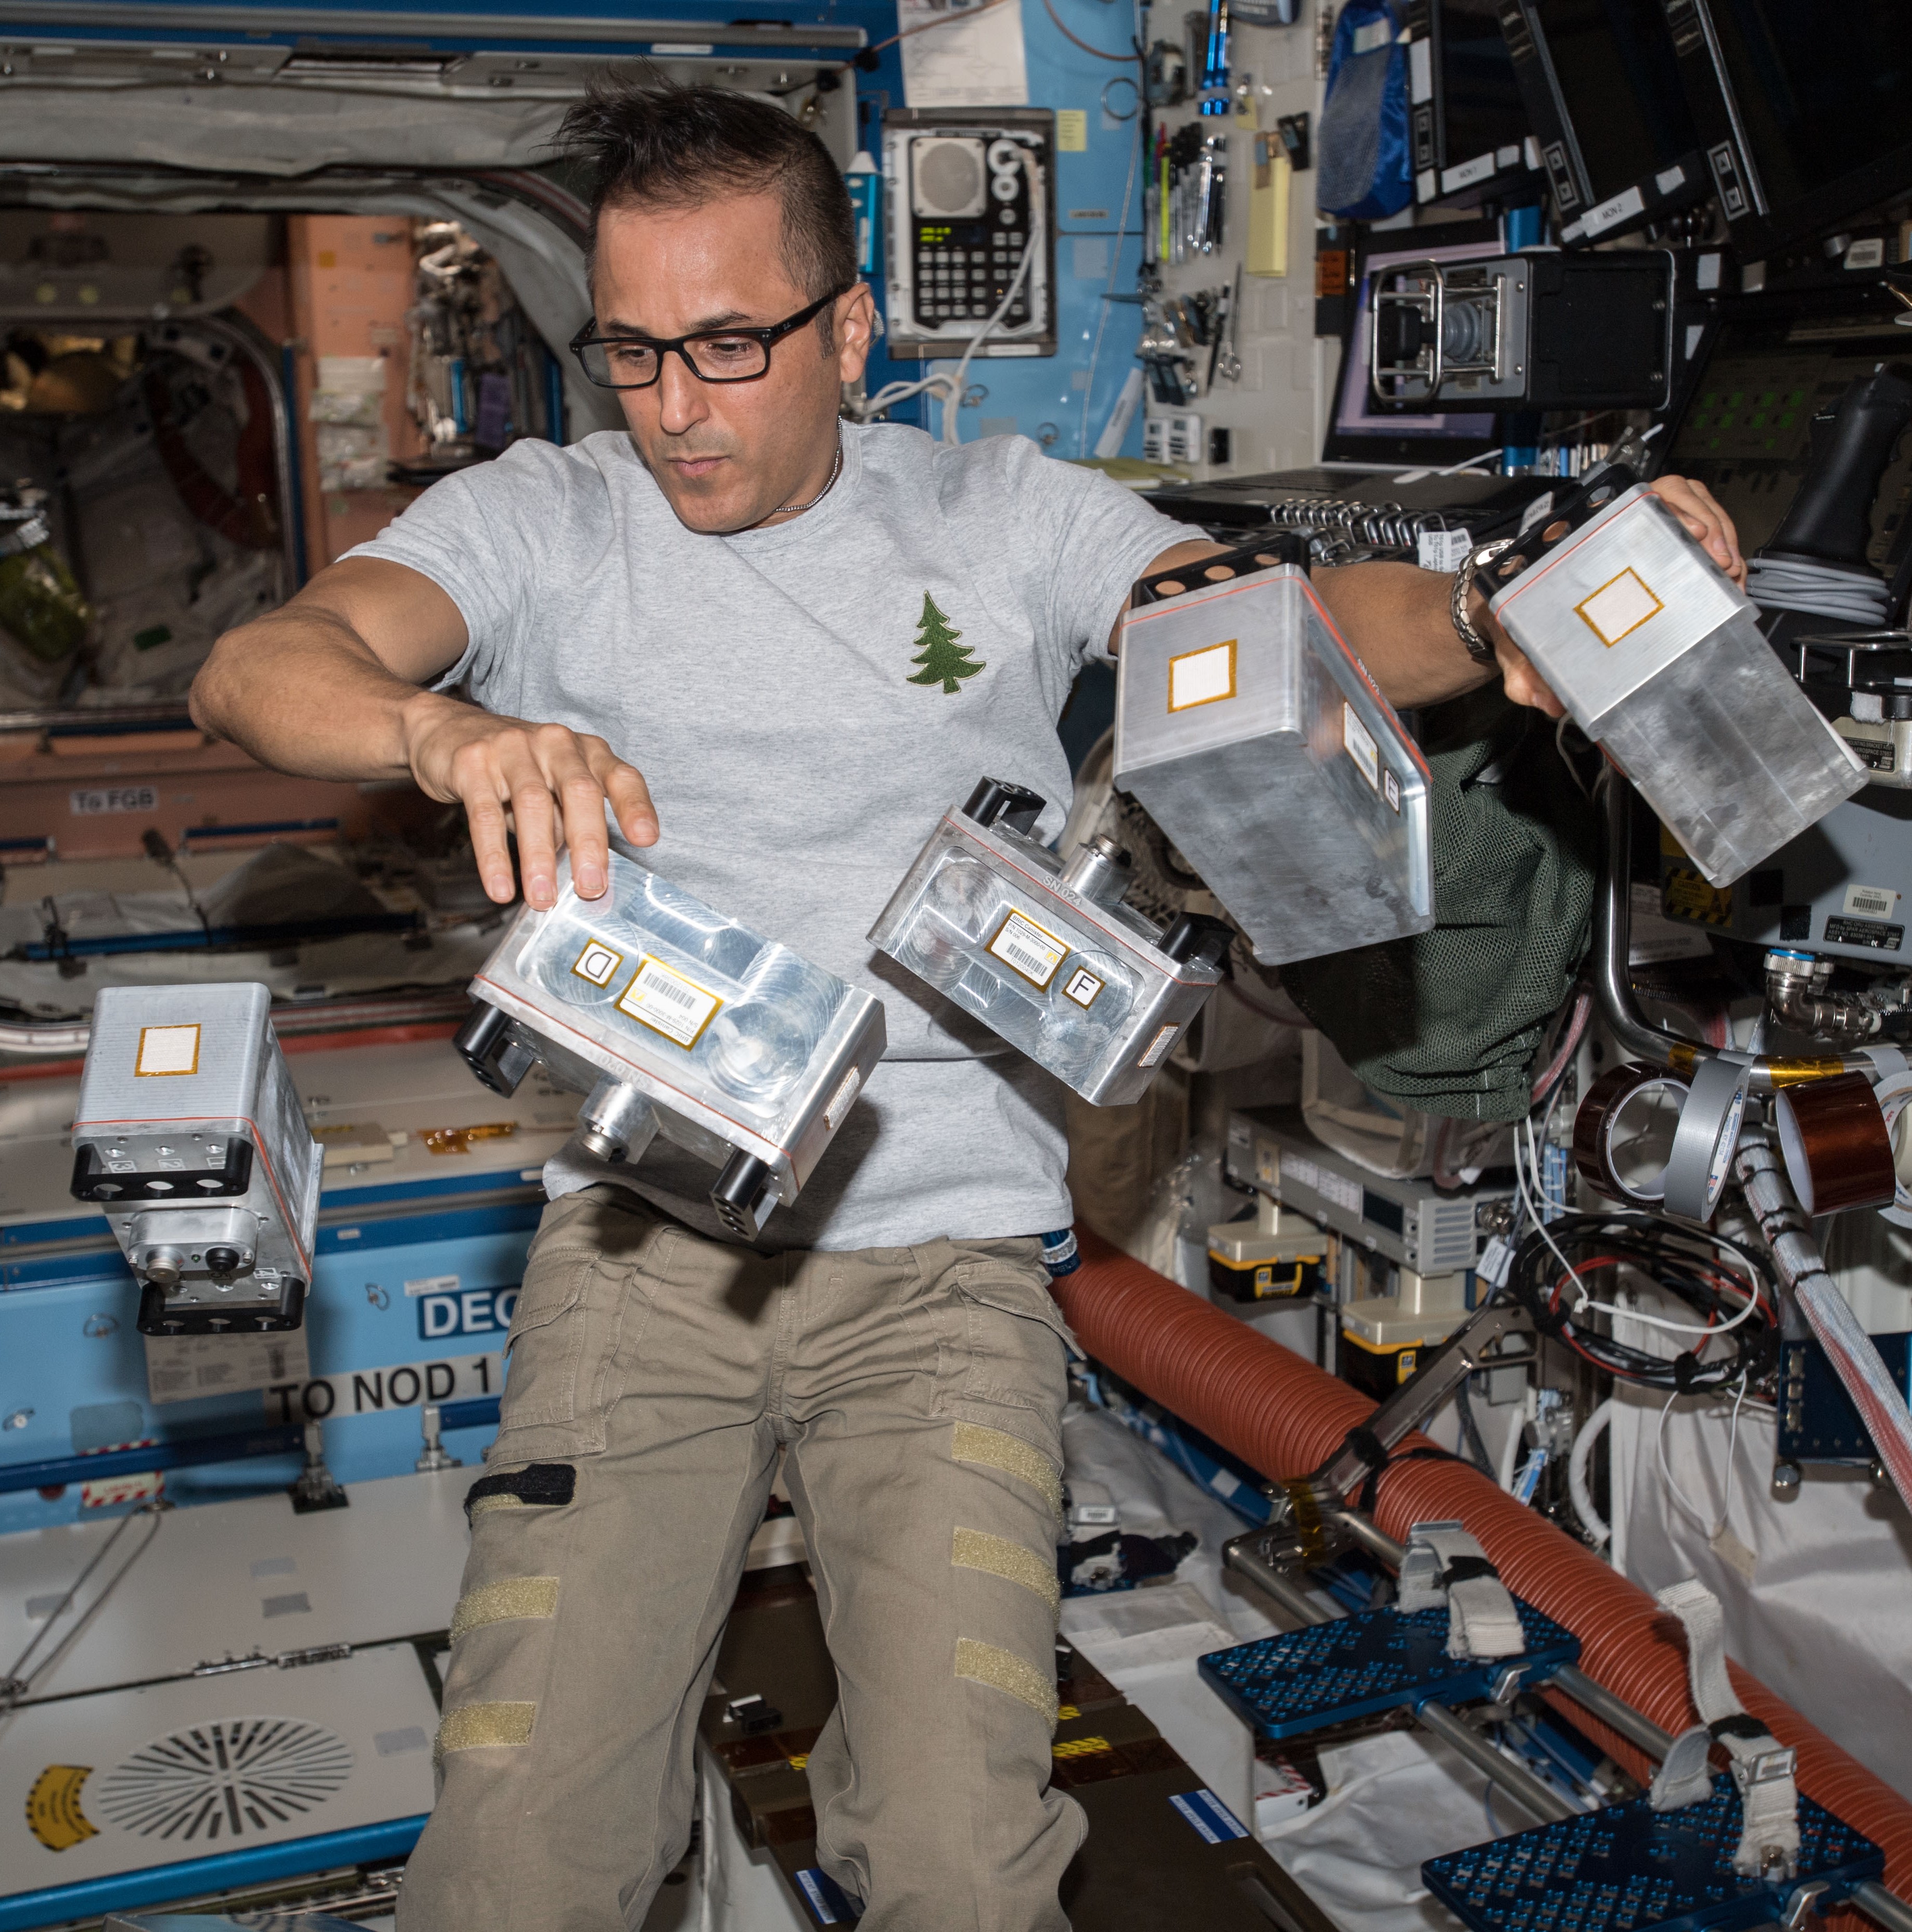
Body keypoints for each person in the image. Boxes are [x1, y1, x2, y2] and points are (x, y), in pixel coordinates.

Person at [189, 83, 1745, 1932]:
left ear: (847, 332)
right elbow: (256, 667)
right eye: (631, 353)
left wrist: (1498, 614)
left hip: (944, 1277)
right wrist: (445, 728)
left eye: (727, 346)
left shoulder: (1001, 514)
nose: (675, 408)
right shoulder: (541, 519)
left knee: (961, 1865)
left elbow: (1254, 621)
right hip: (644, 1254)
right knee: (523, 1858)